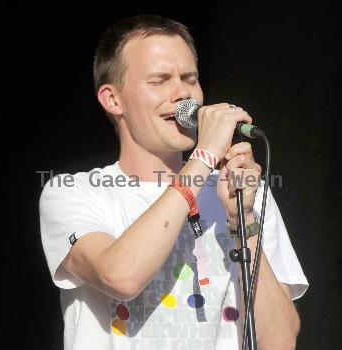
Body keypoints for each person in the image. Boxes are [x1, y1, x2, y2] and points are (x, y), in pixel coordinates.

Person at [39, 15, 308, 350]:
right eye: (160, 80)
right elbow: (121, 276)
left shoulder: (244, 192)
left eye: (189, 78)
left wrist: (243, 222)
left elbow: (280, 341)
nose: (182, 93)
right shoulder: (74, 192)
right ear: (113, 99)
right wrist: (203, 158)